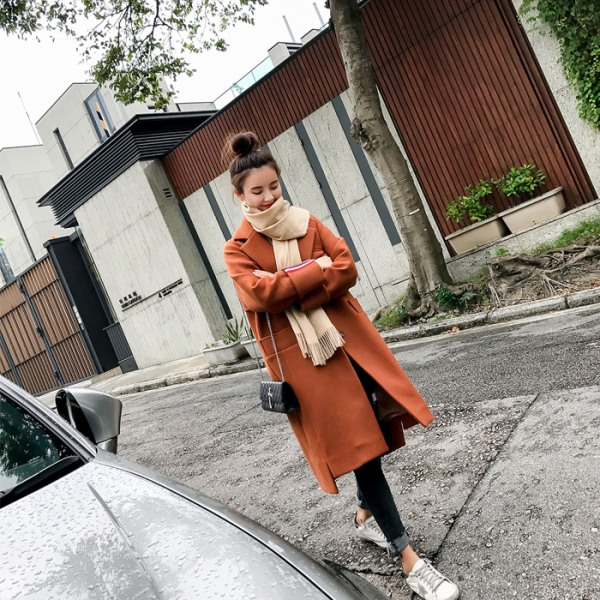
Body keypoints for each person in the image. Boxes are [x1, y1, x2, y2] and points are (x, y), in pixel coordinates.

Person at [222, 132, 459, 600]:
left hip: (349, 346)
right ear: (239, 195)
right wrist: (315, 269)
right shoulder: (237, 249)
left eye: (273, 186)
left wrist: (289, 281)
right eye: (257, 191)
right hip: (308, 365)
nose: (268, 197)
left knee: (372, 435)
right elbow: (260, 295)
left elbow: (346, 267)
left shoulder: (306, 221)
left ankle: (365, 517)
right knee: (360, 451)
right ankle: (410, 561)